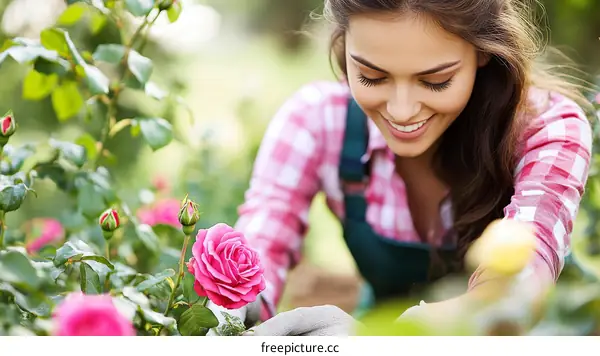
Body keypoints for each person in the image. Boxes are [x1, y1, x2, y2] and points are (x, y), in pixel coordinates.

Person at [208, 0, 595, 336]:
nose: (402, 110)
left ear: (482, 51)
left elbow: (516, 293)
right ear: (344, 46)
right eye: (372, 77)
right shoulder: (317, 121)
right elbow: (264, 237)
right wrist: (233, 310)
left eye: (436, 81)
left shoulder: (546, 129)